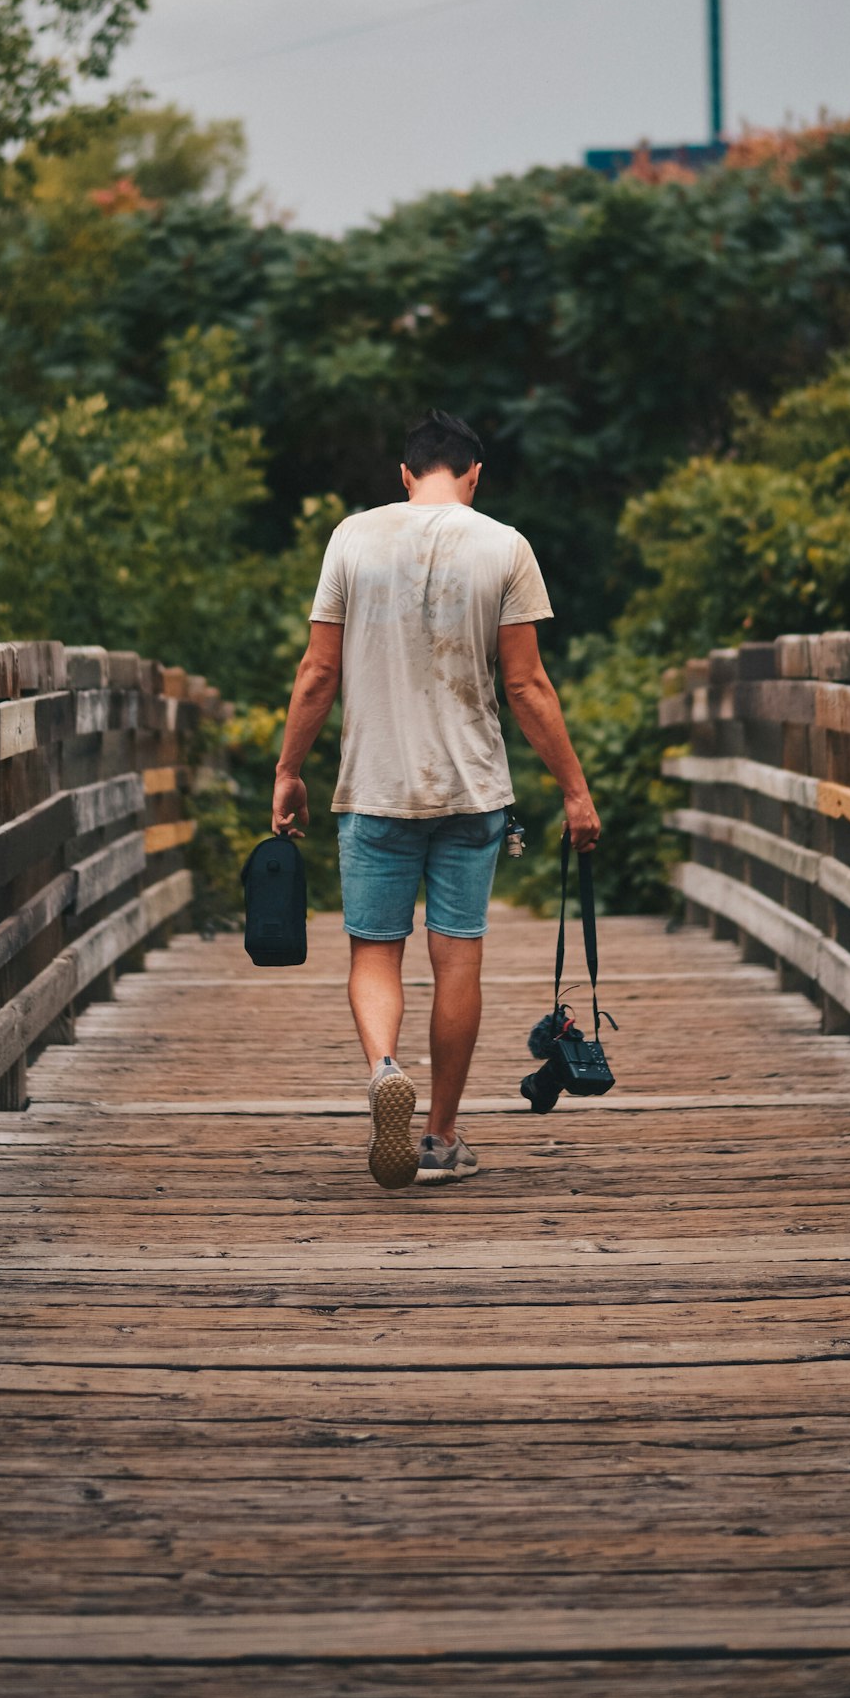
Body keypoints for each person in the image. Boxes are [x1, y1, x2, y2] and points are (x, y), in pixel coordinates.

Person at [271, 409, 601, 1190]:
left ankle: (385, 1067)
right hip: (470, 790)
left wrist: (290, 769)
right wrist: (575, 792)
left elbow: (318, 673)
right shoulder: (505, 546)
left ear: (405, 473)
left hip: (375, 787)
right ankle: (442, 1137)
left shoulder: (352, 537)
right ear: (475, 475)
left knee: (374, 951)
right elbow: (525, 685)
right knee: (457, 958)